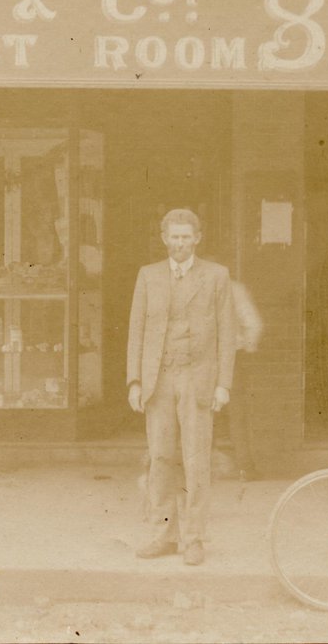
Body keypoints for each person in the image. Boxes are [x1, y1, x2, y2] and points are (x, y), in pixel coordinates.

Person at [127, 208, 236, 566]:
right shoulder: (148, 276)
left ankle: (193, 538)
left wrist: (223, 384)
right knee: (160, 457)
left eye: (186, 237)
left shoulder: (216, 276)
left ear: (197, 239)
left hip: (197, 379)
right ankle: (164, 535)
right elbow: (136, 332)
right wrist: (135, 381)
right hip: (158, 380)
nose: (180, 243)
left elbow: (227, 333)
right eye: (174, 237)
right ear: (164, 239)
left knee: (195, 460)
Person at [227, 279, 264, 481]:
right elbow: (254, 324)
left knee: (200, 412)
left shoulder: (191, 284)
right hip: (231, 357)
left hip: (199, 358)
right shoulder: (234, 288)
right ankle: (245, 468)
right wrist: (247, 348)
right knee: (237, 413)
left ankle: (199, 469)